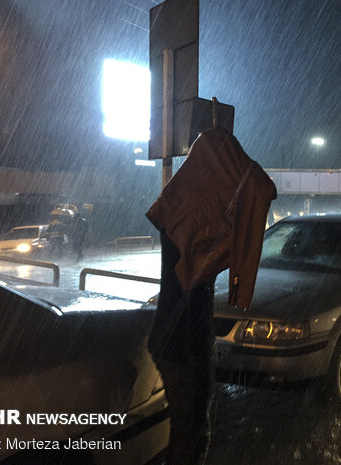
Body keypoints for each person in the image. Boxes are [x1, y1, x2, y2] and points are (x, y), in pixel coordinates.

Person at [146, 127, 277, 465]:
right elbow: (260, 186)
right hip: (182, 345)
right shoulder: (190, 226)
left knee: (186, 435)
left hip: (177, 340)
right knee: (192, 437)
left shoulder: (181, 210)